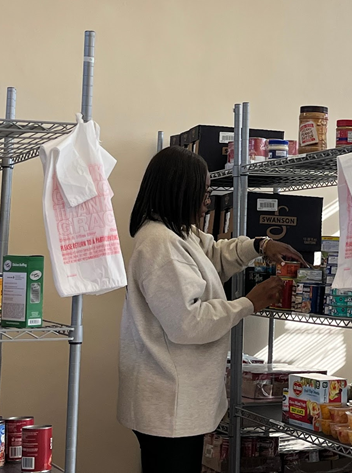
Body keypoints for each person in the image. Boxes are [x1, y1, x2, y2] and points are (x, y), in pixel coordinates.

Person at [118, 146, 306, 472]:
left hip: (174, 400)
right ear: (181, 191)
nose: (208, 201)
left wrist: (260, 245)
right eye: (203, 193)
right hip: (168, 402)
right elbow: (188, 322)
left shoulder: (179, 234)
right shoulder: (160, 244)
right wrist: (250, 302)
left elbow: (214, 254)